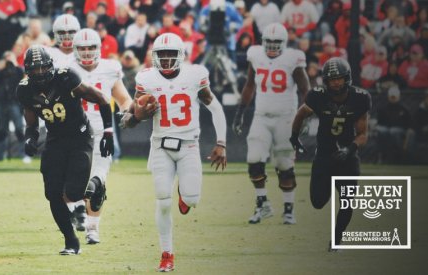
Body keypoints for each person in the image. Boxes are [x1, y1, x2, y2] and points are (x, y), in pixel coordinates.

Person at [120, 33, 227, 272]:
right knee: (163, 200)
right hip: (160, 145)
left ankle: (184, 194)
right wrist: (136, 116)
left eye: (171, 54)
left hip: (189, 144)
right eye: (162, 54)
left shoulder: (195, 75)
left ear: (181, 55)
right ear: (154, 56)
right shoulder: (146, 79)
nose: (166, 59)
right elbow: (130, 116)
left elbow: (215, 106)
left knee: (192, 199)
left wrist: (221, 142)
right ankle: (166, 253)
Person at [16, 45, 112, 255]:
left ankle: (87, 196)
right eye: (34, 69)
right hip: (55, 139)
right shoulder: (24, 89)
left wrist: (109, 131)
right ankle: (71, 241)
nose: (39, 73)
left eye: (42, 68)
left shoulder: (65, 77)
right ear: (27, 71)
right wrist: (30, 139)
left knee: (74, 190)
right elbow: (31, 124)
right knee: (52, 193)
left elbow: (102, 99)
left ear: (50, 66)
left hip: (80, 136)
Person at [289, 57, 371, 251]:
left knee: (347, 201)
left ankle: (336, 242)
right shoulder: (318, 95)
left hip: (347, 157)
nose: (336, 82)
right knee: (317, 202)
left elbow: (362, 134)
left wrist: (349, 149)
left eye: (340, 78)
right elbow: (300, 114)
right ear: (325, 80)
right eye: (332, 78)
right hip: (324, 155)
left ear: (347, 78)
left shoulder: (360, 98)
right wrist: (294, 137)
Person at [232, 23, 310, 225]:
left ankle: (288, 209)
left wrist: (304, 117)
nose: (273, 46)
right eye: (269, 42)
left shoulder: (293, 58)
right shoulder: (256, 55)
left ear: (284, 43)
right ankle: (262, 204)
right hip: (261, 116)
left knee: (284, 164)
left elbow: (305, 90)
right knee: (254, 159)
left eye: (277, 42)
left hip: (286, 117)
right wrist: (240, 112)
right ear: (262, 42)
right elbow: (250, 85)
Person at [71, 28, 133, 244]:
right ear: (75, 49)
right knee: (73, 183)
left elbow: (124, 99)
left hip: (102, 134)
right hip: (74, 136)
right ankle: (76, 212)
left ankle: (92, 229)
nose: (87, 52)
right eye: (82, 48)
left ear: (99, 48)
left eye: (91, 48)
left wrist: (130, 112)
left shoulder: (109, 69)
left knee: (97, 184)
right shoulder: (66, 69)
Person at [45, 13, 87, 231]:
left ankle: (80, 207)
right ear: (55, 35)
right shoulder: (49, 54)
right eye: (62, 32)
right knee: (59, 174)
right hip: (58, 120)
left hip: (85, 118)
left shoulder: (86, 51)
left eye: (71, 32)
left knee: (80, 172)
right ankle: (74, 209)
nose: (67, 37)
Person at [0, 51, 27, 163]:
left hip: (15, 103)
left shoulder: (19, 71)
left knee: (19, 128)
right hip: (2, 103)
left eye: (10, 58)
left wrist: (14, 65)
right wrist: (3, 68)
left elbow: (25, 79)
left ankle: (24, 155)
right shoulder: (1, 73)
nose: (8, 60)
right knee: (1, 130)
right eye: (6, 58)